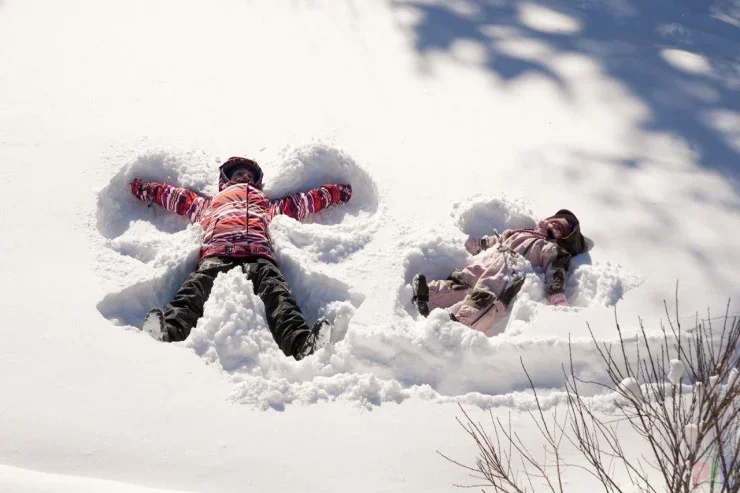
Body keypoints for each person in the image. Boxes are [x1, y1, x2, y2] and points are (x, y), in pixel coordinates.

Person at [130, 157, 352, 360]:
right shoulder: (210, 204)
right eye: (239, 174)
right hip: (217, 253)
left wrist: (334, 193)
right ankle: (167, 333)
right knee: (193, 291)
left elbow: (302, 203)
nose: (245, 177)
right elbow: (178, 198)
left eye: (249, 175)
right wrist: (145, 189)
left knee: (278, 296)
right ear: (226, 180)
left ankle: (301, 344)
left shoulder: (265, 205)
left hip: (258, 255)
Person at [411, 209, 592, 333]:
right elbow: (498, 239)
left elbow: (555, 270)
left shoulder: (550, 248)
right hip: (493, 259)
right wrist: (480, 244)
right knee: (465, 278)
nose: (557, 224)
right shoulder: (522, 232)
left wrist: (557, 295)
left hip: (511, 268)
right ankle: (430, 294)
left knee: (488, 292)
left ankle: (462, 323)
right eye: (556, 220)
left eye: (563, 227)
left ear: (566, 239)